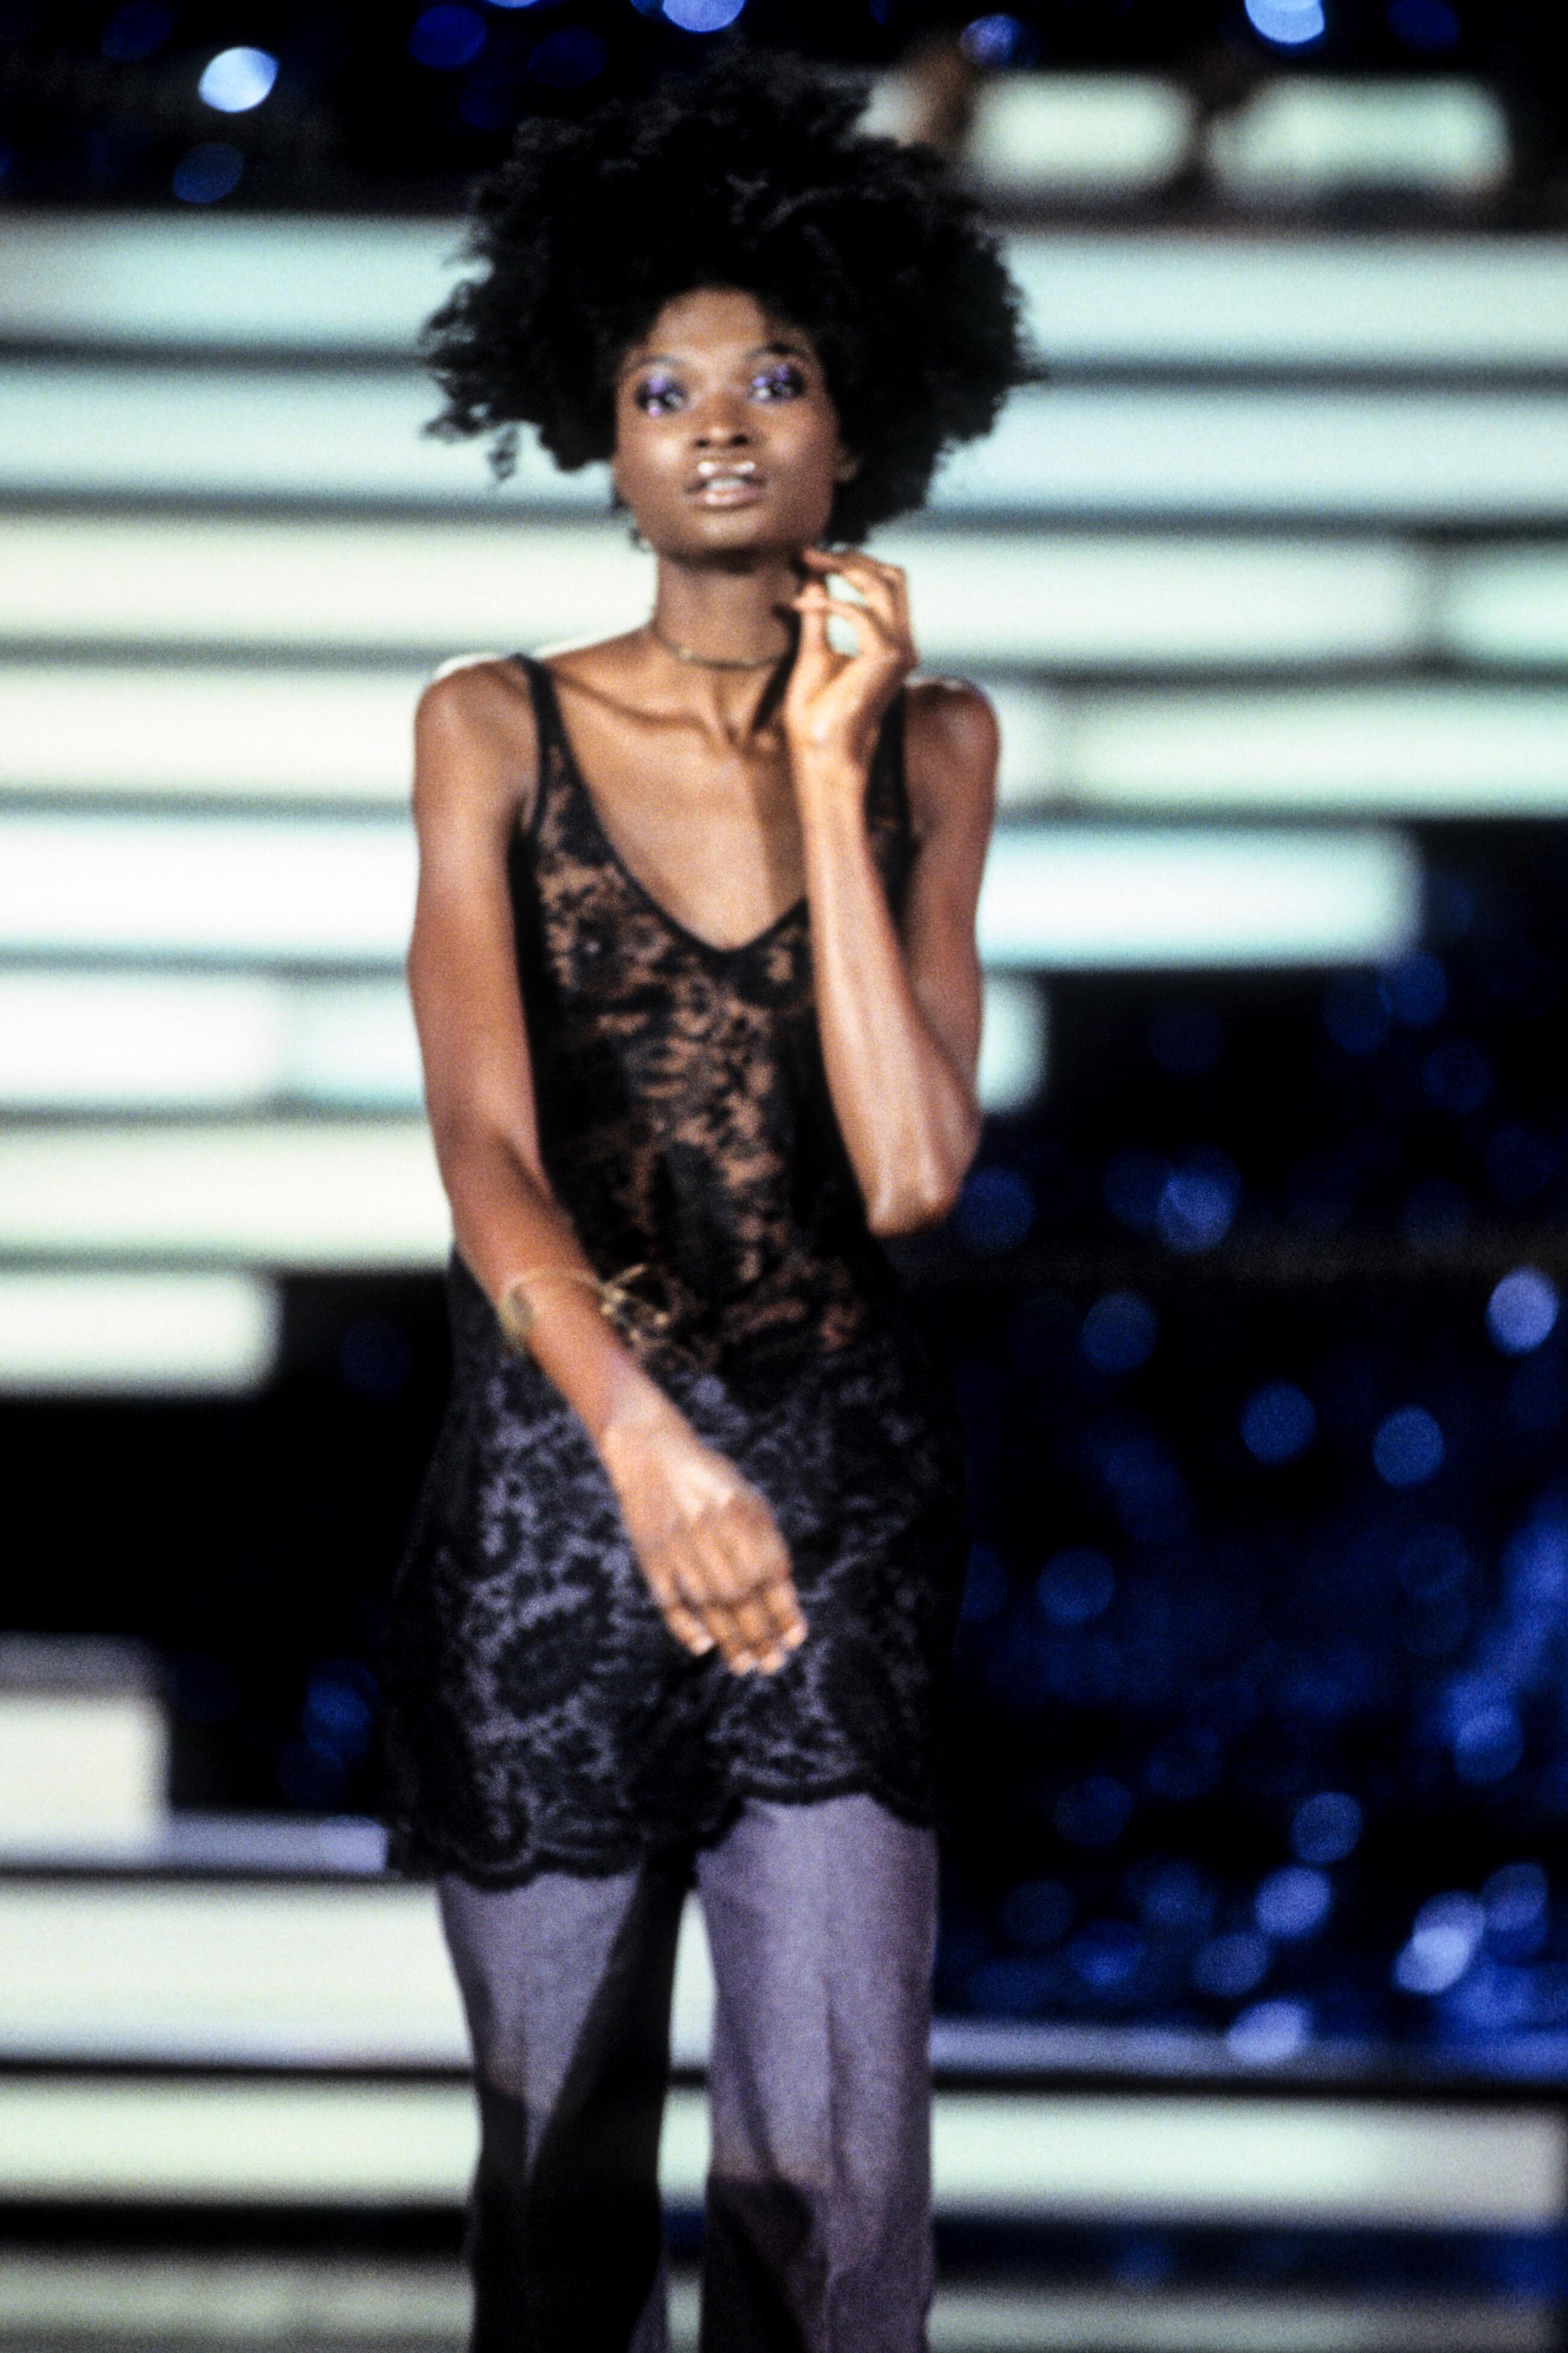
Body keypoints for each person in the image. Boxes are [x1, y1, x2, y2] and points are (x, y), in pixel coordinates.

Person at [381, 49, 1029, 2352]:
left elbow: (914, 1167)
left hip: (838, 1503)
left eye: (778, 380)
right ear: (601, 430)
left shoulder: (935, 745)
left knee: (838, 2216)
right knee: (559, 2204)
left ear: (863, 431)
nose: (722, 426)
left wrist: (838, 761)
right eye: (667, 389)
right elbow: (483, 1149)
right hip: (567, 1500)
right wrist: (645, 1445)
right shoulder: (490, 725)